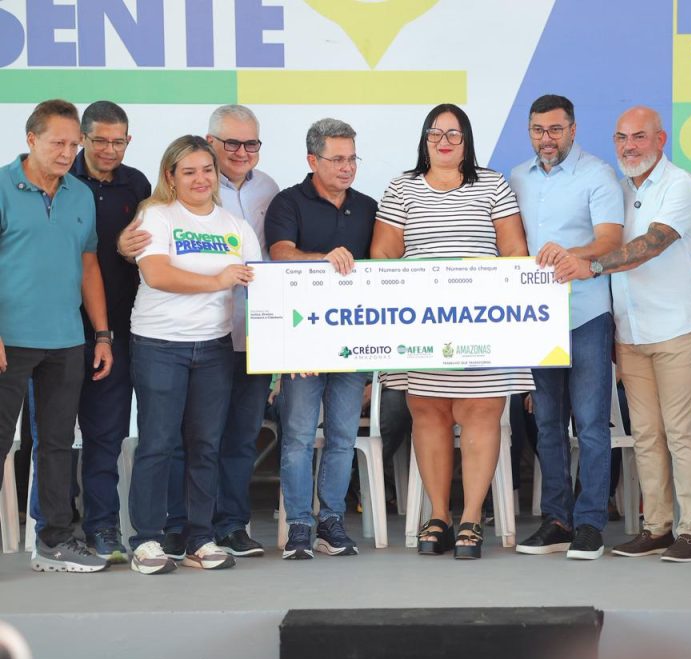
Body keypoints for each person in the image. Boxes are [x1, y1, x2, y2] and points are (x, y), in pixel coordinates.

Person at [372, 103, 532, 560]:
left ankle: (471, 518)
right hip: (421, 325)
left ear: (467, 141)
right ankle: (439, 516)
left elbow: (514, 251)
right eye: (435, 133)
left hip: (484, 324)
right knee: (429, 413)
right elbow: (383, 255)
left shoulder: (493, 185)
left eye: (454, 134)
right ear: (424, 140)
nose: (444, 141)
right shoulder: (401, 188)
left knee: (481, 413)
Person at [120, 105, 279, 559]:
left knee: (206, 445)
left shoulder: (236, 227)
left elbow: (261, 291)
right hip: (159, 344)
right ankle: (147, 539)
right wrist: (218, 280)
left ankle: (199, 538)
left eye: (206, 170)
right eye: (188, 171)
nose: (200, 179)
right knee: (158, 443)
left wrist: (283, 352)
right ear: (171, 177)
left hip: (213, 348)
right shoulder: (157, 215)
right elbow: (156, 274)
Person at [553, 105, 691, 563]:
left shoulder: (681, 185)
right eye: (621, 138)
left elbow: (650, 245)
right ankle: (657, 527)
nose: (629, 146)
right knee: (645, 433)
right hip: (631, 331)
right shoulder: (617, 190)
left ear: (661, 140)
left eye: (639, 137)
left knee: (679, 431)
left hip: (678, 326)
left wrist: (590, 266)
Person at [509, 94, 623, 560]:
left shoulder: (598, 174)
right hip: (538, 320)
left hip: (587, 314)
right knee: (548, 424)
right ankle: (557, 520)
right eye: (538, 130)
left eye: (556, 129)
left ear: (573, 130)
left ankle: (590, 523)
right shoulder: (517, 177)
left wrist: (572, 254)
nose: (547, 138)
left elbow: (611, 240)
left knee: (592, 425)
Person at [0, 99, 112, 573]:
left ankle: (54, 542)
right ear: (31, 139)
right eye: (57, 143)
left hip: (66, 339)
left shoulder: (80, 195)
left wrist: (102, 333)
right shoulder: (2, 186)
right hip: (9, 339)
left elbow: (88, 265)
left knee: (58, 444)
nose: (68, 153)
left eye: (74, 144)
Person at [265, 118, 375, 561]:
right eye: (337, 159)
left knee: (343, 437)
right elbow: (280, 254)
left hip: (354, 340)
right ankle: (298, 525)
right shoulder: (287, 202)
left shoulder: (368, 207)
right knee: (297, 436)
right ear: (313, 160)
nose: (348, 167)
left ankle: (331, 522)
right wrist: (322, 260)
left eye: (353, 158)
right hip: (301, 342)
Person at [71, 101, 151, 564]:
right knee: (53, 439)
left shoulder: (137, 184)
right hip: (60, 327)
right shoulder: (62, 180)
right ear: (82, 138)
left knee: (106, 434)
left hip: (117, 330)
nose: (109, 150)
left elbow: (149, 249)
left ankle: (102, 528)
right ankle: (55, 529)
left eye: (118, 141)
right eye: (99, 140)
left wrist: (126, 250)